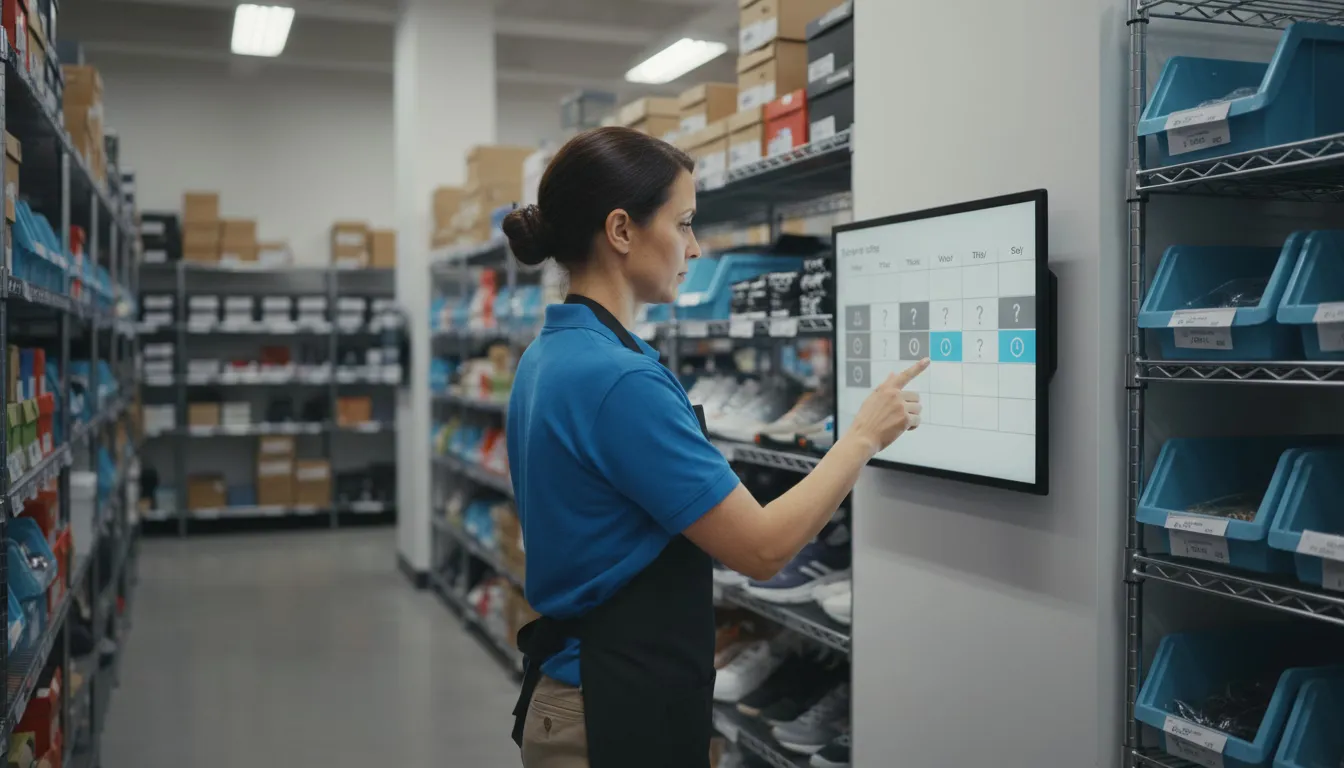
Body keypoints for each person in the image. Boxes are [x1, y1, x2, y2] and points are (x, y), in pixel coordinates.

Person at [502, 126, 928, 768]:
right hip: (613, 710)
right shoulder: (619, 379)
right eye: (684, 223)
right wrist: (863, 436)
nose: (695, 247)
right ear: (621, 231)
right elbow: (760, 550)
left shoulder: (553, 354)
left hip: (588, 691)